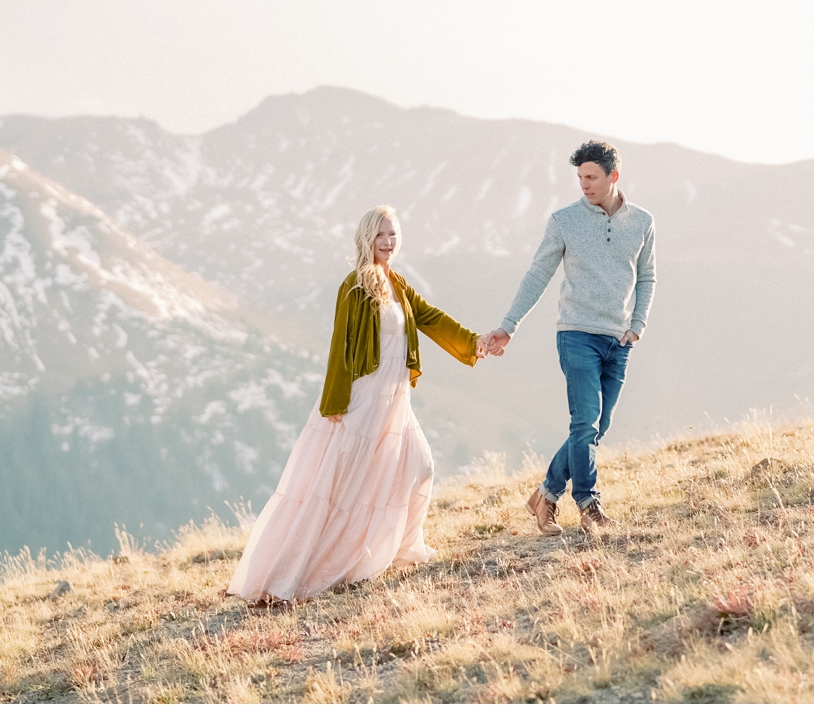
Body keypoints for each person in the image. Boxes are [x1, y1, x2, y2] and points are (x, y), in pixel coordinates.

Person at [227, 204, 494, 603]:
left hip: (395, 400)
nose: (387, 243)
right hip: (362, 400)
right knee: (341, 488)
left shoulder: (398, 283)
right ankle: (299, 572)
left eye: (393, 235)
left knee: (419, 466)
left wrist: (474, 342)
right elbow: (341, 347)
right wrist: (335, 402)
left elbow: (430, 317)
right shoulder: (355, 286)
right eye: (380, 235)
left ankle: (405, 549)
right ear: (366, 239)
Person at [482, 141, 656, 535]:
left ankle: (546, 494)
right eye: (580, 178)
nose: (584, 185)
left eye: (592, 177)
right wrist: (508, 325)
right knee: (584, 422)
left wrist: (638, 324)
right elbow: (537, 275)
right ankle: (588, 504)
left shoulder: (643, 222)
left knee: (597, 426)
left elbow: (647, 276)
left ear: (614, 176)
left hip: (620, 338)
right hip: (576, 333)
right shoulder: (564, 221)